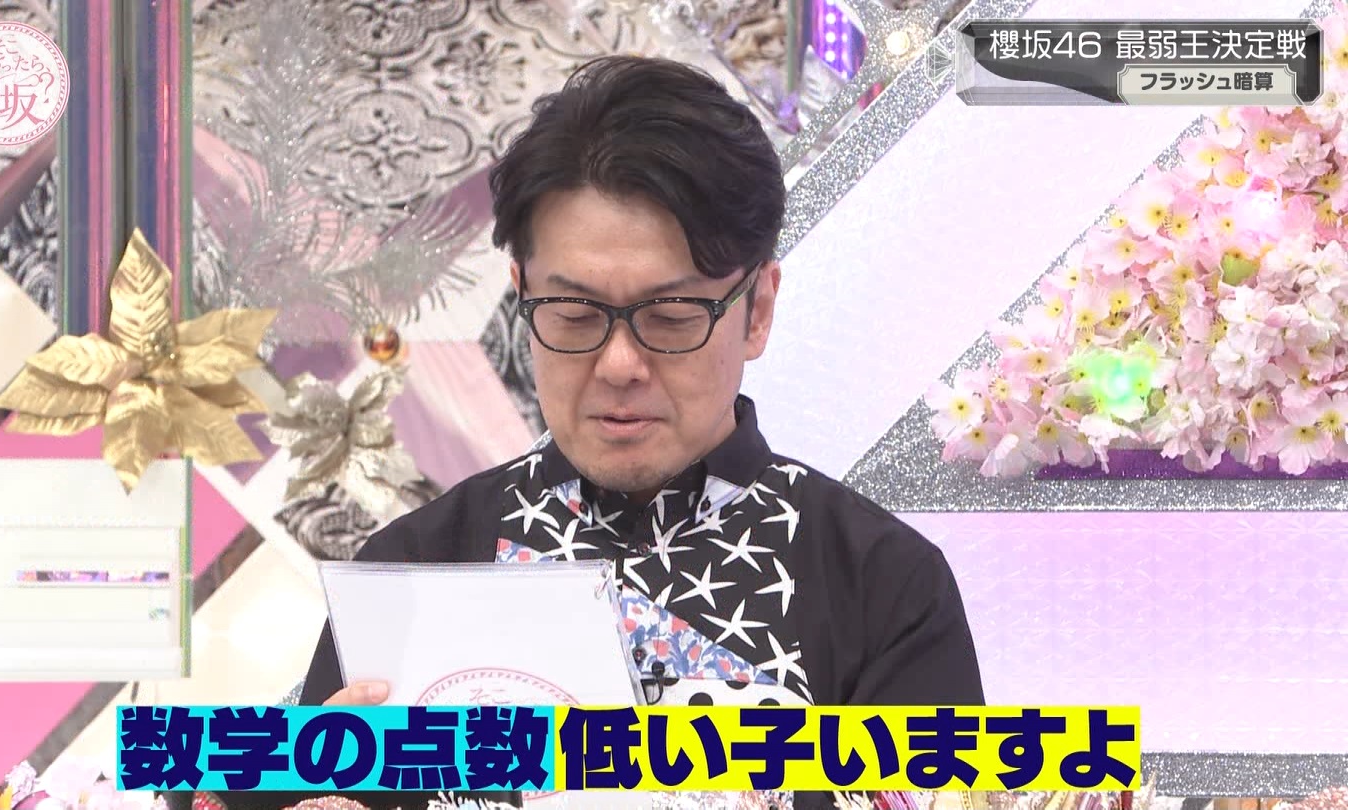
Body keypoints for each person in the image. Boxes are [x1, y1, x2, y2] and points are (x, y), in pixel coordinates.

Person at [297, 54, 984, 809]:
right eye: (574, 314)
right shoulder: (412, 571)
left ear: (757, 309)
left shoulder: (885, 587)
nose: (620, 364)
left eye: (672, 315)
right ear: (522, 296)